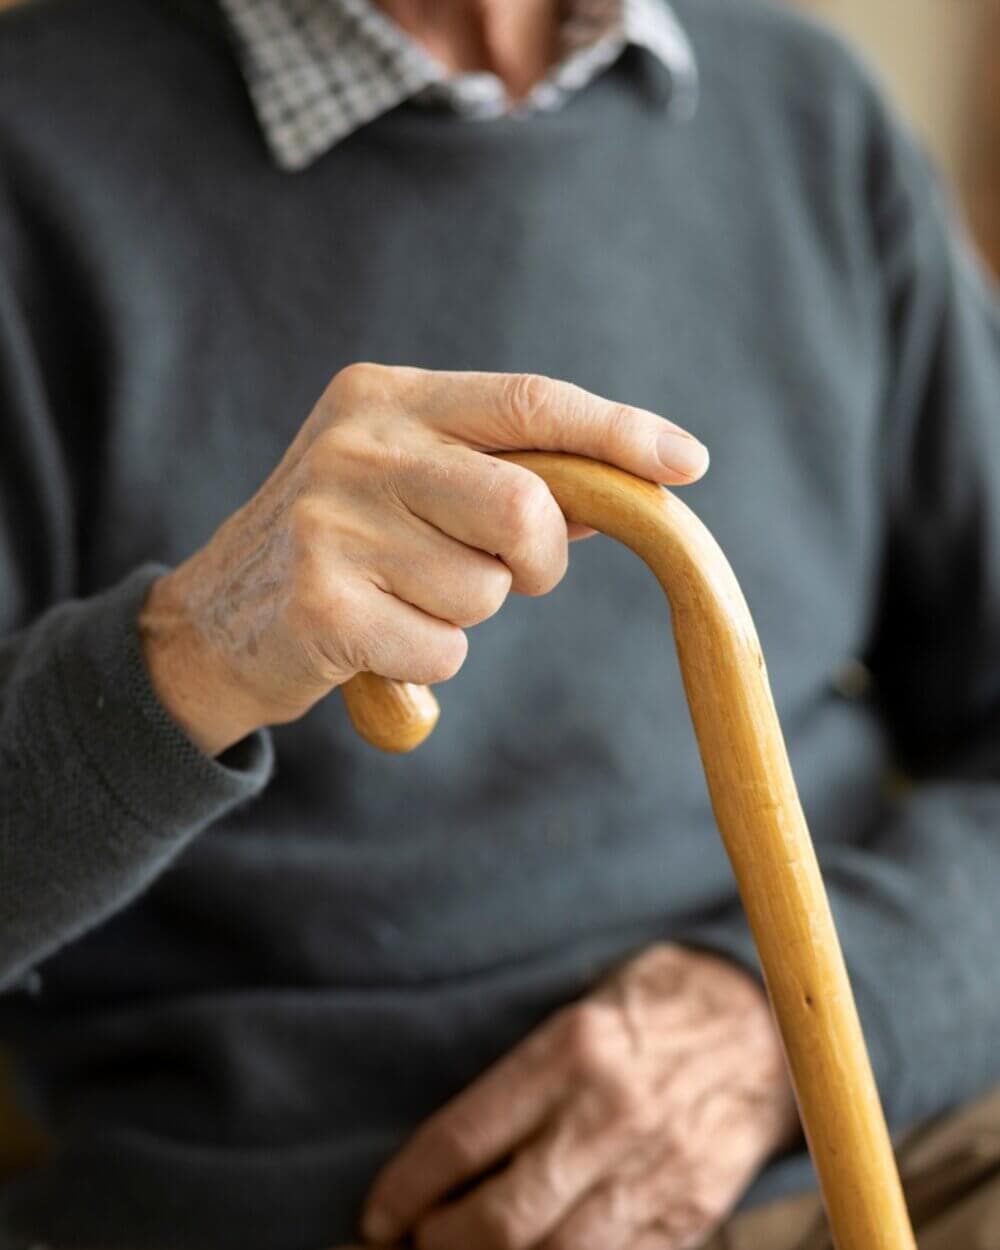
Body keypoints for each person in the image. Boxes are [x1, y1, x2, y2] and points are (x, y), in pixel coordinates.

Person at [0, 0, 998, 1247]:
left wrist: (783, 1017)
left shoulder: (805, 107)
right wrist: (192, 650)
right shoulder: (29, 151)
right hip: (332, 1201)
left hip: (896, 1143)